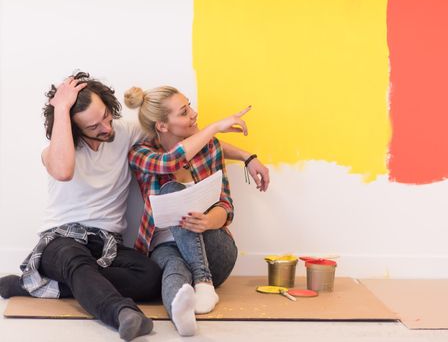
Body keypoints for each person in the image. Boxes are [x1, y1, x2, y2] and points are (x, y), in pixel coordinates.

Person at [0, 72, 268, 341]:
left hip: (107, 243)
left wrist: (246, 156)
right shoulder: (58, 148)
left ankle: (39, 284)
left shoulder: (124, 131)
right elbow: (63, 170)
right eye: (93, 127)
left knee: (151, 276)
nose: (106, 128)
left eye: (106, 115)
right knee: (75, 261)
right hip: (62, 239)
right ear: (72, 127)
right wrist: (60, 108)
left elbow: (186, 142)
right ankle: (122, 314)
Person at [125, 85, 268, 336]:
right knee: (173, 267)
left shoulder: (210, 149)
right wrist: (214, 127)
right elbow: (170, 162)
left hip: (215, 250)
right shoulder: (141, 154)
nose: (193, 113)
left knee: (177, 202)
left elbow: (226, 207)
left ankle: (203, 281)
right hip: (164, 248)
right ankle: (181, 314)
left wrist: (206, 221)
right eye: (184, 112)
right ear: (162, 126)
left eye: (189, 105)